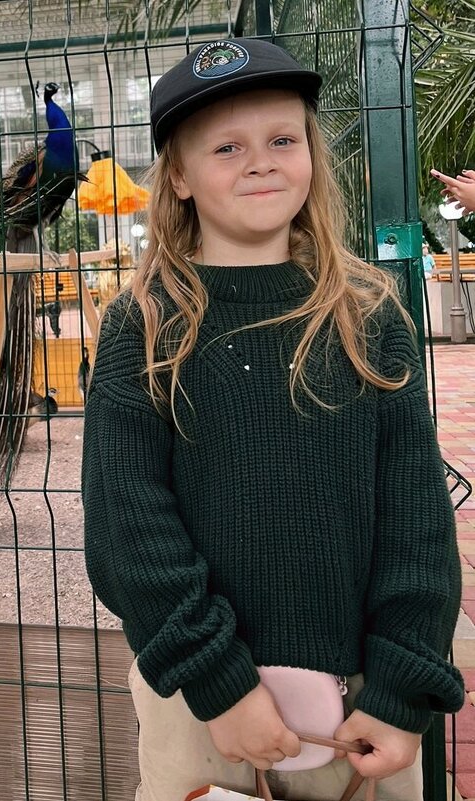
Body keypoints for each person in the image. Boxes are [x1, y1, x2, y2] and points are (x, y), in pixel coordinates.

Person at [81, 38, 463, 801]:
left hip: (362, 709)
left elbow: (416, 515)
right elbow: (128, 526)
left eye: (281, 140)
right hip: (203, 715)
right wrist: (217, 682)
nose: (260, 162)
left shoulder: (369, 316)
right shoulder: (143, 325)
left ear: (310, 157)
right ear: (179, 177)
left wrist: (401, 688)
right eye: (227, 147)